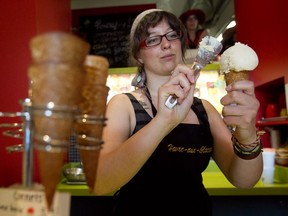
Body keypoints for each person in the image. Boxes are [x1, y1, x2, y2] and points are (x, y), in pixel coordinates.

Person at [94, 9, 263, 215]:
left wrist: (247, 135)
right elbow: (101, 182)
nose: (166, 44)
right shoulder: (123, 105)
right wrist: (164, 121)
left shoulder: (204, 109)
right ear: (138, 56)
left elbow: (244, 180)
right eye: (152, 39)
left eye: (172, 35)